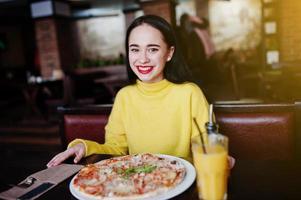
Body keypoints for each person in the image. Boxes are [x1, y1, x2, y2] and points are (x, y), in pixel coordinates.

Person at [47, 15, 234, 168]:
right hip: (138, 186)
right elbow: (117, 149)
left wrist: (218, 159)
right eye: (135, 49)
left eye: (152, 49)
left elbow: (205, 147)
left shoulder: (189, 93)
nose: (142, 59)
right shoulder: (124, 96)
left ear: (169, 53)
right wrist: (84, 146)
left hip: (182, 184)